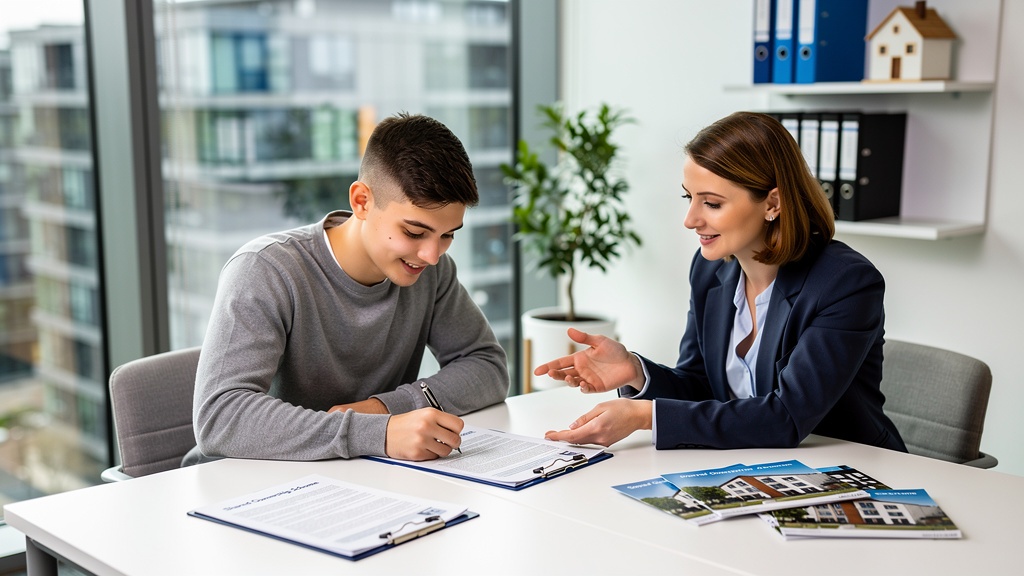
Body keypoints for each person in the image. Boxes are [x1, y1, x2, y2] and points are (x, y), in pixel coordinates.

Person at [536, 111, 907, 453]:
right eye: (689, 197)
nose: (690, 219)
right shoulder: (711, 270)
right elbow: (701, 385)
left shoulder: (845, 283)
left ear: (772, 203)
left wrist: (645, 416)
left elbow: (786, 418)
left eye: (711, 203)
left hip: (852, 470)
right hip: (752, 466)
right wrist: (635, 370)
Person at [183, 112, 509, 466]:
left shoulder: (430, 271)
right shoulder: (265, 270)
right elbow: (220, 418)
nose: (431, 254)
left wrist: (384, 408)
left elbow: (487, 366)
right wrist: (377, 432)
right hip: (245, 485)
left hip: (356, 478)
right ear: (362, 201)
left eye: (447, 235)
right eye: (414, 232)